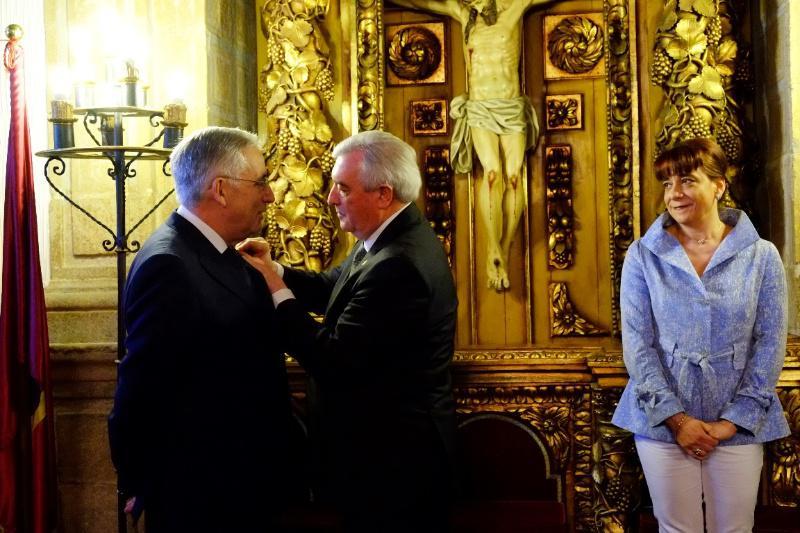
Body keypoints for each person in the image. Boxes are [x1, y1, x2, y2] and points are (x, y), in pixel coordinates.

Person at [238, 130, 458, 532]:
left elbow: (333, 359)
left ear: (382, 194)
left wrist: (275, 290)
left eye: (343, 188)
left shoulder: (399, 264)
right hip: (385, 456)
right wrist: (277, 270)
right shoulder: (388, 235)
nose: (331, 199)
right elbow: (331, 288)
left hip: (395, 464)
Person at [108, 127, 297, 532]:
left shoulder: (222, 249)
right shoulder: (170, 264)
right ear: (221, 189)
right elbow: (139, 388)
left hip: (244, 484)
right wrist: (140, 479)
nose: (269, 195)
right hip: (202, 497)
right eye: (261, 182)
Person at [611, 138, 790, 532]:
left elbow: (770, 345)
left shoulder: (761, 256)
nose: (674, 194)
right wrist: (678, 420)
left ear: (718, 186)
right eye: (668, 183)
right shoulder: (643, 255)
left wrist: (733, 422)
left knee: (735, 529)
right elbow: (638, 344)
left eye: (687, 181)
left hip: (737, 426)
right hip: (662, 423)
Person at [392, 0, 558, 290]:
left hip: (510, 105)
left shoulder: (516, 10)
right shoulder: (463, 15)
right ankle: (492, 247)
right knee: (492, 174)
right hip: (480, 108)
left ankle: (502, 250)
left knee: (515, 177)